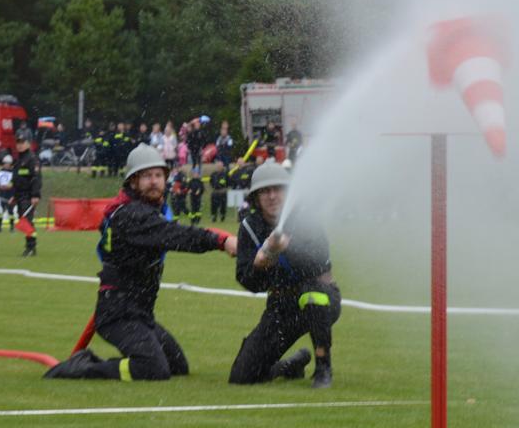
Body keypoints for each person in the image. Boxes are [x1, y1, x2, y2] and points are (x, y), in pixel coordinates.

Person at [42, 144, 237, 381]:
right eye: (146, 176)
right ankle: (84, 369)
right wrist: (221, 241)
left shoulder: (147, 211)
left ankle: (97, 363)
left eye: (158, 175)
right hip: (118, 315)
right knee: (153, 369)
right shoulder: (132, 215)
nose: (154, 181)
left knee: (177, 366)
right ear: (133, 182)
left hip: (140, 314)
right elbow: (177, 236)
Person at [231, 161, 341, 388]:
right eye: (265, 191)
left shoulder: (307, 221)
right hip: (282, 305)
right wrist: (261, 265)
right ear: (256, 198)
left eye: (278, 189)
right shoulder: (250, 228)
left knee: (313, 295)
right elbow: (247, 280)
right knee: (242, 376)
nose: (272, 196)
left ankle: (323, 367)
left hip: (321, 298)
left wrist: (287, 249)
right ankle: (290, 365)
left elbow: (319, 265)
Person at [14, 135, 41, 257]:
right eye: (18, 142)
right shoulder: (19, 160)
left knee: (27, 221)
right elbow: (17, 180)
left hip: (28, 195)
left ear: (28, 144)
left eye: (22, 142)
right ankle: (30, 246)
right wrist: (14, 196)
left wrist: (35, 195)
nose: (19, 145)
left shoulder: (32, 159)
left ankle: (31, 247)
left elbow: (36, 178)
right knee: (25, 221)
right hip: (20, 196)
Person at [0, 154, 17, 232]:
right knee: (0, 210)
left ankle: (12, 227)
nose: (6, 165)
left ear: (10, 164)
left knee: (11, 211)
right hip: (1, 193)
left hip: (10, 194)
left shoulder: (14, 173)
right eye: (5, 163)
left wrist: (11, 188)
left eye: (8, 163)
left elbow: (17, 183)